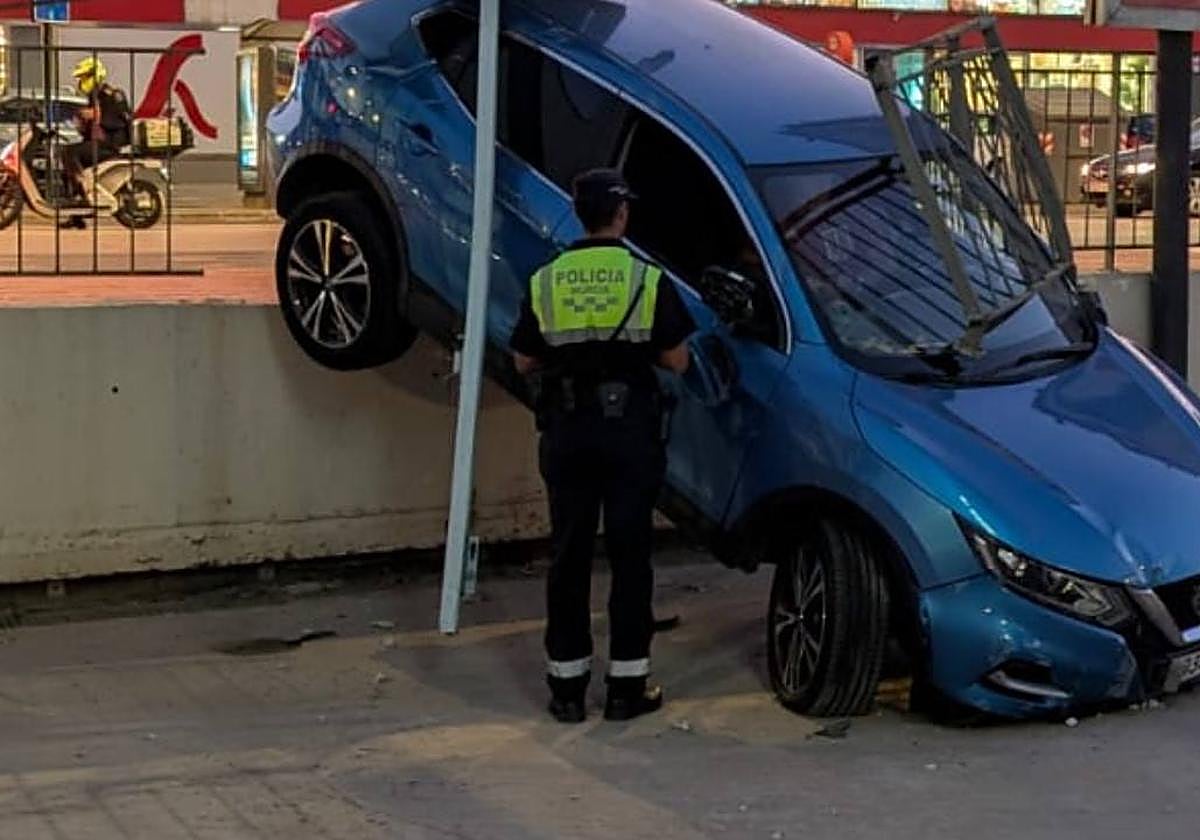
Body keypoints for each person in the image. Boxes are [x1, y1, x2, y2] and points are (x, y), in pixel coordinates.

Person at [510, 168, 695, 724]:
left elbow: (523, 359)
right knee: (630, 558)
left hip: (567, 434)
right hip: (629, 436)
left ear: (577, 210)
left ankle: (566, 691)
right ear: (620, 214)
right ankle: (626, 688)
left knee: (568, 557)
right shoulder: (646, 279)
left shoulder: (546, 280)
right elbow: (678, 361)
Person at [60, 57, 131, 209]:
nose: (81, 81)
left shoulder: (109, 94)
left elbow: (109, 117)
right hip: (99, 143)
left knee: (69, 153)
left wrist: (91, 114)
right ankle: (76, 209)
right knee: (67, 166)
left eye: (84, 77)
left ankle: (83, 193)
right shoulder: (95, 95)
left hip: (109, 144)